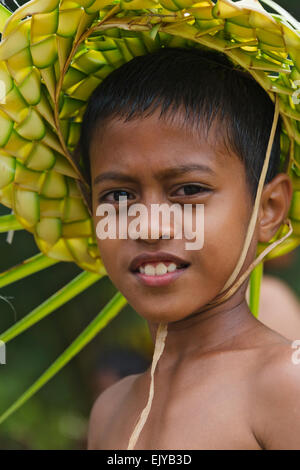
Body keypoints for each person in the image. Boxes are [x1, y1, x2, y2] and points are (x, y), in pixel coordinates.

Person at [79, 47, 300, 450]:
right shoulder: (109, 411)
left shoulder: (286, 385)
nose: (149, 227)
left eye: (189, 190)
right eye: (118, 196)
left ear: (268, 209)